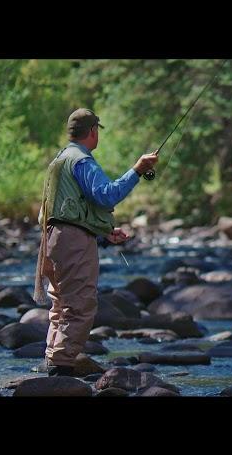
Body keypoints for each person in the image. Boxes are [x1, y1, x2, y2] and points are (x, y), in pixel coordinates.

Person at [33, 108, 158, 376]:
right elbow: (107, 195)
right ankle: (61, 369)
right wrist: (137, 170)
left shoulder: (60, 159)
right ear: (93, 132)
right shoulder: (82, 161)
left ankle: (53, 360)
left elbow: (70, 207)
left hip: (51, 239)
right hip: (72, 241)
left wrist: (105, 231)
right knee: (79, 305)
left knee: (61, 303)